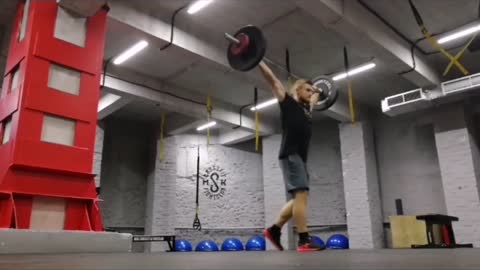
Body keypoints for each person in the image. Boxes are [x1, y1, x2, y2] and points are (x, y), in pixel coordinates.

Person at [259, 61, 325, 252]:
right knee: (301, 194)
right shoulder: (288, 103)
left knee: (300, 198)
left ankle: (274, 230)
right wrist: (258, 60)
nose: (311, 93)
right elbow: (273, 80)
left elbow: (316, 97)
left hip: (300, 159)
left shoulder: (307, 111)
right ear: (297, 91)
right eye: (307, 90)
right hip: (290, 154)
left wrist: (317, 91)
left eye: (312, 91)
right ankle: (304, 240)